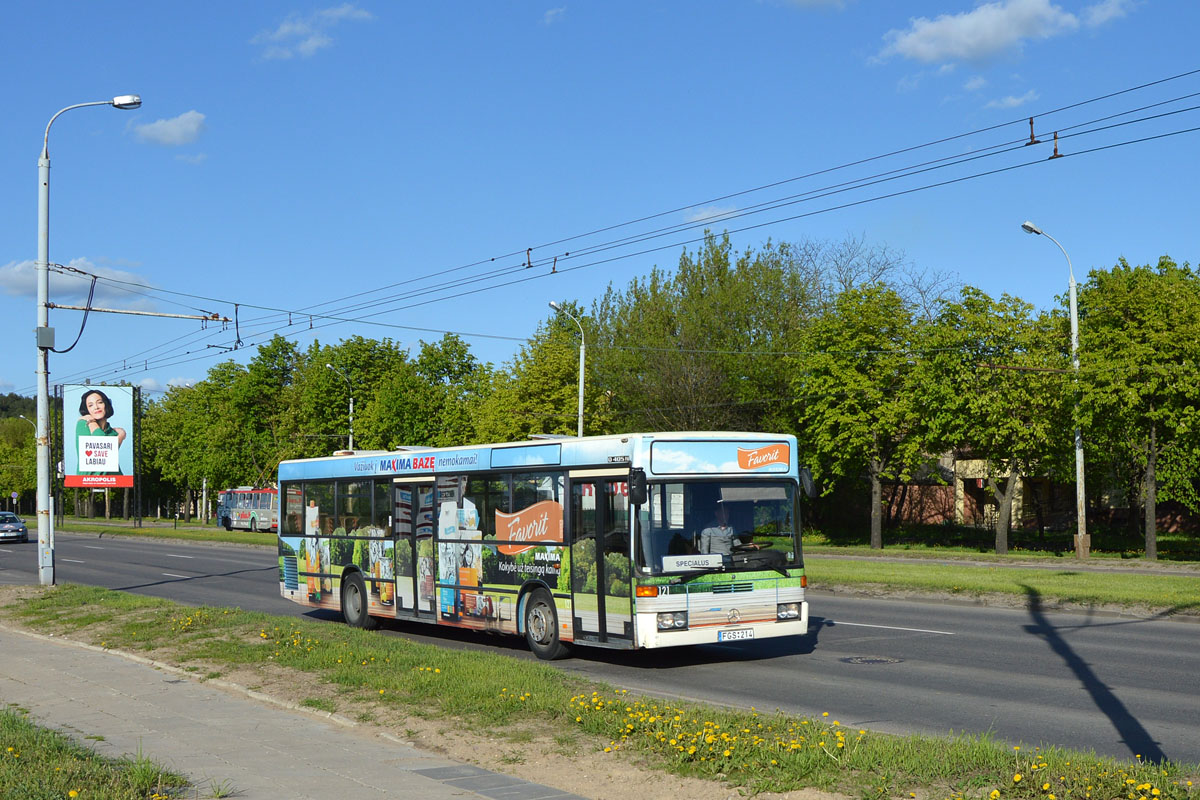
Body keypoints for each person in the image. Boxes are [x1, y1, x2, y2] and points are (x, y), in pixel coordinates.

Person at [75, 389, 126, 475]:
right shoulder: (83, 424)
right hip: (86, 482)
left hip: (114, 481)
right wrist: (91, 421)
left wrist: (120, 435)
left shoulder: (113, 433)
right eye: (90, 405)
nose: (96, 407)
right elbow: (100, 442)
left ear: (106, 404)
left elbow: (108, 456)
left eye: (100, 402)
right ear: (87, 410)